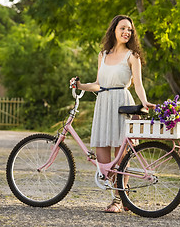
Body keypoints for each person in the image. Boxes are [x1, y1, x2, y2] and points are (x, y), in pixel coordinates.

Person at [70, 15, 155, 213]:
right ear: (114, 30)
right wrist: (80, 85)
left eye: (130, 30)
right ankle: (122, 192)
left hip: (121, 103)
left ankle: (118, 199)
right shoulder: (103, 54)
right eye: (123, 28)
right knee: (104, 163)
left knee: (121, 155)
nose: (127, 32)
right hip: (103, 103)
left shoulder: (132, 56)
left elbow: (139, 84)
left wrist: (144, 102)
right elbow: (99, 84)